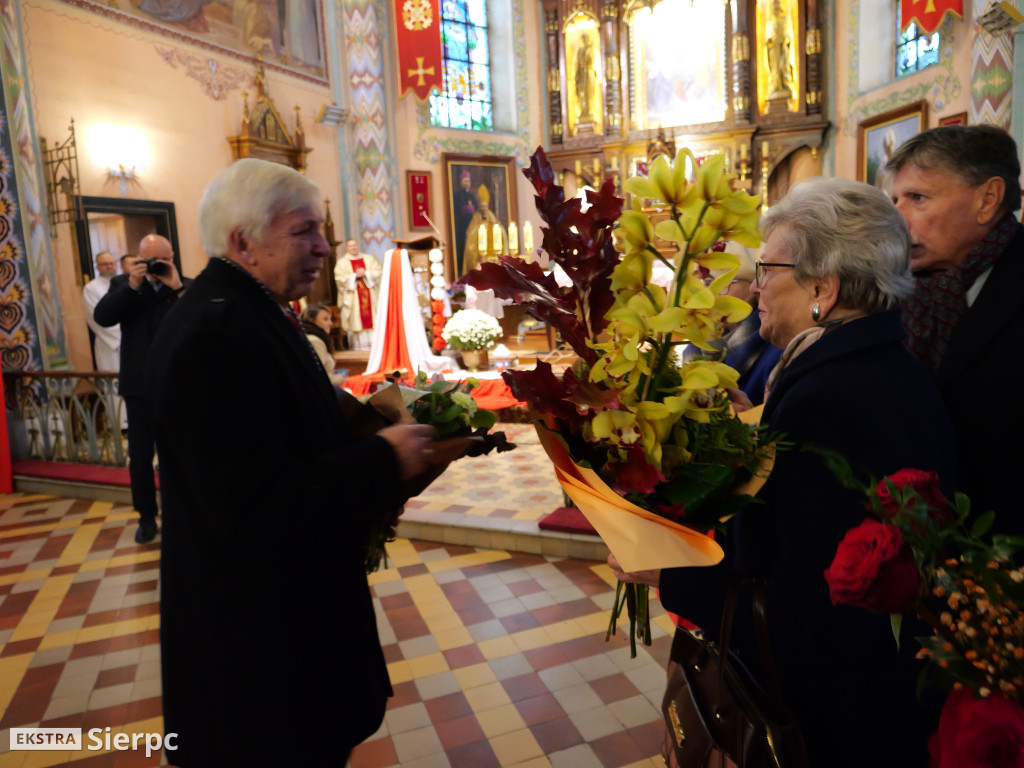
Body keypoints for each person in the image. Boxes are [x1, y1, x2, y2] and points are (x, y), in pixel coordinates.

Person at [614, 178, 958, 767]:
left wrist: (671, 567)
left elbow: (812, 608)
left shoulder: (828, 395)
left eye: (768, 268)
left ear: (823, 287)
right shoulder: (871, 364)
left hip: (834, 720)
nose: (753, 288)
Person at [147, 158, 434, 766]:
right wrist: (384, 458)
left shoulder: (246, 311)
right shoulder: (216, 333)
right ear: (244, 242)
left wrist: (362, 422)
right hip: (261, 653)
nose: (324, 248)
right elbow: (252, 504)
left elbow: (285, 432)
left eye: (320, 230)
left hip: (285, 634)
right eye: (304, 231)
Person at [887, 124, 1024, 536]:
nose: (897, 218)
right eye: (895, 199)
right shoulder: (901, 291)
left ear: (987, 200)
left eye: (917, 198)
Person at [94, 235, 190, 545]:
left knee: (180, 454)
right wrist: (133, 287)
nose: (158, 265)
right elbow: (103, 316)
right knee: (140, 457)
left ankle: (182, 513)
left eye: (164, 258)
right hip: (140, 386)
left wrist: (177, 289)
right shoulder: (124, 284)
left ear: (173, 256)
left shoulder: (184, 285)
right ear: (139, 258)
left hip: (177, 385)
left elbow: (197, 324)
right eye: (152, 260)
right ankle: (146, 517)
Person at [334, 238, 382, 351]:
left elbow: (378, 273)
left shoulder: (368, 259)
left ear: (358, 246)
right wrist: (354, 276)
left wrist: (366, 274)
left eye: (355, 245)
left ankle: (375, 347)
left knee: (373, 320)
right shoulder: (342, 262)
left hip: (370, 296)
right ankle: (358, 349)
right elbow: (339, 279)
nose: (353, 248)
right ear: (347, 248)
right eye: (351, 246)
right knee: (356, 321)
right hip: (354, 298)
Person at [82, 252, 121, 372]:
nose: (109, 266)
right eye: (104, 264)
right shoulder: (91, 288)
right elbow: (95, 318)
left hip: (130, 343)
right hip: (109, 344)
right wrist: (123, 334)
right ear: (97, 267)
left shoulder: (124, 284)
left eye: (111, 263)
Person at [300, 303, 347, 386]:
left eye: (330, 319)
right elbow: (317, 376)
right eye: (325, 319)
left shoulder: (313, 337)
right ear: (312, 321)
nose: (330, 323)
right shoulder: (315, 341)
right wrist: (340, 378)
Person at [462, 186, 505, 273]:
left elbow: (499, 230)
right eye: (482, 206)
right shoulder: (476, 216)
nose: (483, 208)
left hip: (491, 250)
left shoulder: (491, 216)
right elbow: (470, 233)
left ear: (488, 206)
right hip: (479, 252)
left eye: (485, 206)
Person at [452, 170, 478, 275]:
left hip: (471, 226)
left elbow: (476, 208)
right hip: (461, 227)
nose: (467, 183)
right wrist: (465, 209)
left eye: (468, 181)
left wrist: (472, 209)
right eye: (465, 181)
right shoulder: (457, 195)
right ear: (461, 182)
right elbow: (456, 209)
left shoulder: (471, 196)